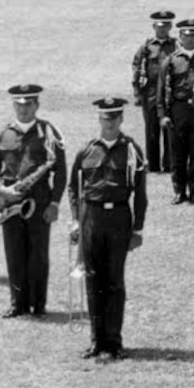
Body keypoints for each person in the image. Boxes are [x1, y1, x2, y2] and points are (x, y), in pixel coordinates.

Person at [69, 98, 148, 360]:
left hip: (119, 218)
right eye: (105, 118)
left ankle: (114, 341)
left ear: (121, 119)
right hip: (91, 217)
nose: (110, 123)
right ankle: (96, 340)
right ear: (99, 120)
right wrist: (76, 220)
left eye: (114, 118)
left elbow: (140, 194)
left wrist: (137, 229)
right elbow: (74, 188)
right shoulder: (86, 150)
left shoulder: (132, 150)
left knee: (114, 280)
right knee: (93, 279)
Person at [0, 84, 68, 318]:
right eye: (19, 105)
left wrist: (54, 203)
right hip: (11, 200)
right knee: (14, 252)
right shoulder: (3, 133)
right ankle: (18, 304)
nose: (23, 109)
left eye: (28, 104)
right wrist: (1, 188)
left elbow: (60, 172)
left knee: (38, 255)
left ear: (36, 105)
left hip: (39, 199)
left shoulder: (48, 132)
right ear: (14, 105)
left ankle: (38, 305)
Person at [161, 19, 194, 204]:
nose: (189, 39)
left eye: (193, 35)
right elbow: (162, 89)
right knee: (178, 152)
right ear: (180, 37)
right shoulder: (171, 60)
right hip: (178, 109)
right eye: (185, 35)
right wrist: (163, 115)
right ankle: (179, 190)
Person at [129, 10, 176, 176]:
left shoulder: (176, 46)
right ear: (154, 26)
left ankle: (170, 164)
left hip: (169, 93)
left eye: (165, 26)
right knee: (151, 130)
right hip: (150, 92)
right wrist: (136, 93)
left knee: (169, 128)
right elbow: (136, 68)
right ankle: (154, 164)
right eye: (158, 26)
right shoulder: (146, 47)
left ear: (170, 26)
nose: (162, 29)